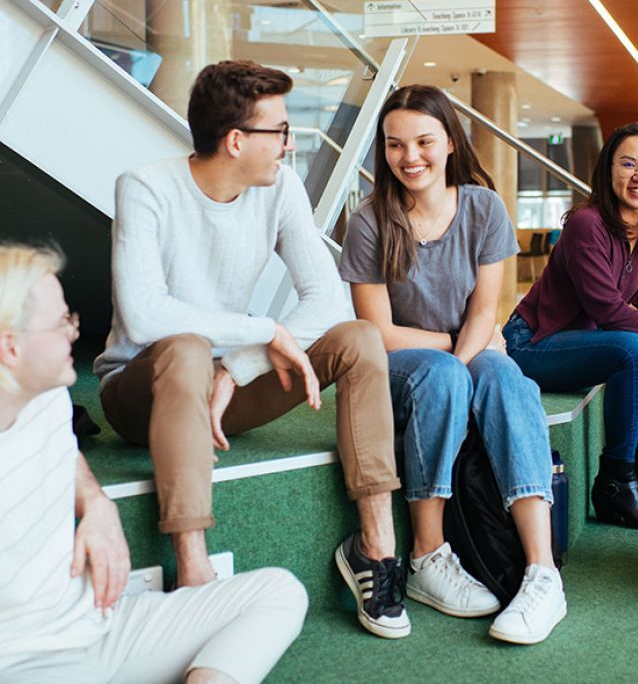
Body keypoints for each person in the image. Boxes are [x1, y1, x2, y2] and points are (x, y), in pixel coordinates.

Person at [94, 60, 409, 639]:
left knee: (359, 338)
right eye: (281, 132)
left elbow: (326, 301)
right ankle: (194, 570)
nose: (289, 145)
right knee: (186, 347)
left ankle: (375, 548)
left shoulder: (280, 188)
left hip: (223, 389)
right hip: (142, 390)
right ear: (236, 140)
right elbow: (144, 314)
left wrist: (238, 367)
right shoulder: (144, 186)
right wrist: (262, 332)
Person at [0, 243, 307, 683]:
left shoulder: (46, 394)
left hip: (104, 626)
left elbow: (63, 456)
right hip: (24, 663)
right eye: (61, 323)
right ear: (11, 348)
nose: (74, 332)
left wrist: (97, 504)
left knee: (279, 592)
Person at [340, 85, 566, 645]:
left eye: (423, 141)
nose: (409, 157)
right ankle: (426, 557)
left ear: (449, 143)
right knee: (453, 372)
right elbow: (380, 334)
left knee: (506, 377)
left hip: (457, 357)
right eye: (395, 145)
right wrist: (463, 349)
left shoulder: (484, 208)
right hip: (394, 371)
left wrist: (472, 355)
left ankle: (543, 575)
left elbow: (488, 313)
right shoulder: (370, 221)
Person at [504, 122, 638, 530]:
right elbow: (610, 312)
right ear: (608, 170)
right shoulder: (588, 224)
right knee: (634, 348)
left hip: (580, 341)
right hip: (531, 343)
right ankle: (616, 484)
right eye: (628, 164)